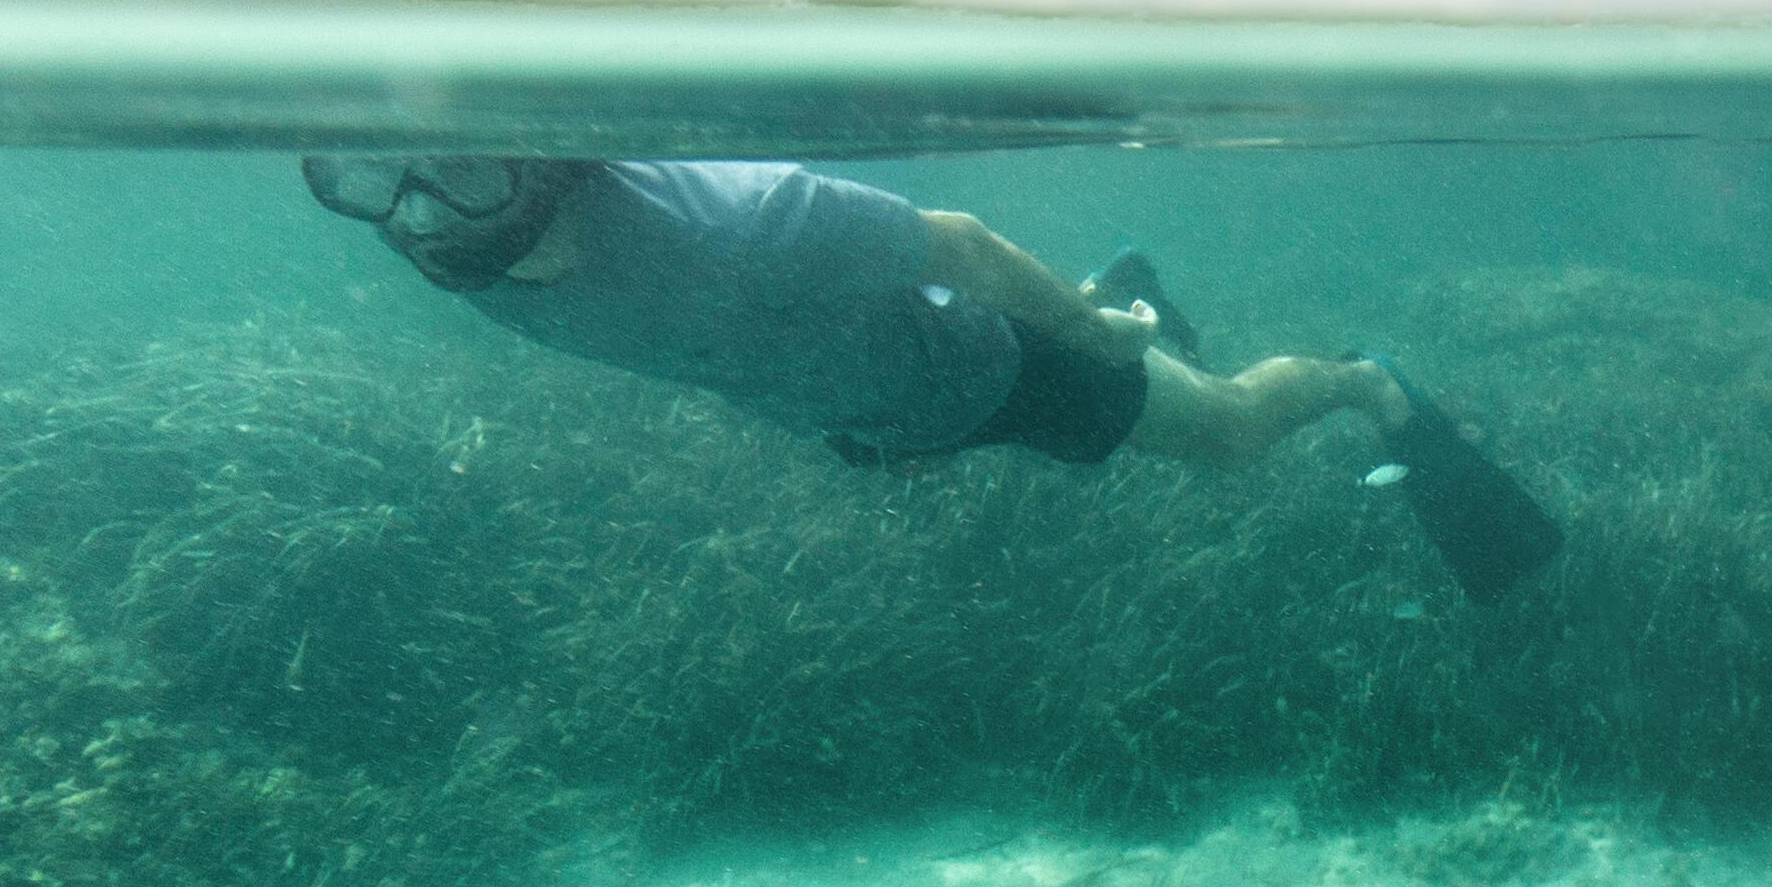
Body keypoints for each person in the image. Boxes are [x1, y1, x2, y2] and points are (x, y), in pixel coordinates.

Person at [303, 155, 1560, 592]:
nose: (419, 214)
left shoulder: (734, 220)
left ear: (533, 161)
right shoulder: (473, 276)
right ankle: (1118, 287)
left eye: (453, 176)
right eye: (367, 181)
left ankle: (1360, 383)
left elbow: (951, 243)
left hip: (993, 362)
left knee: (1228, 438)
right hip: (874, 402)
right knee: (935, 449)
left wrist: (1086, 331)